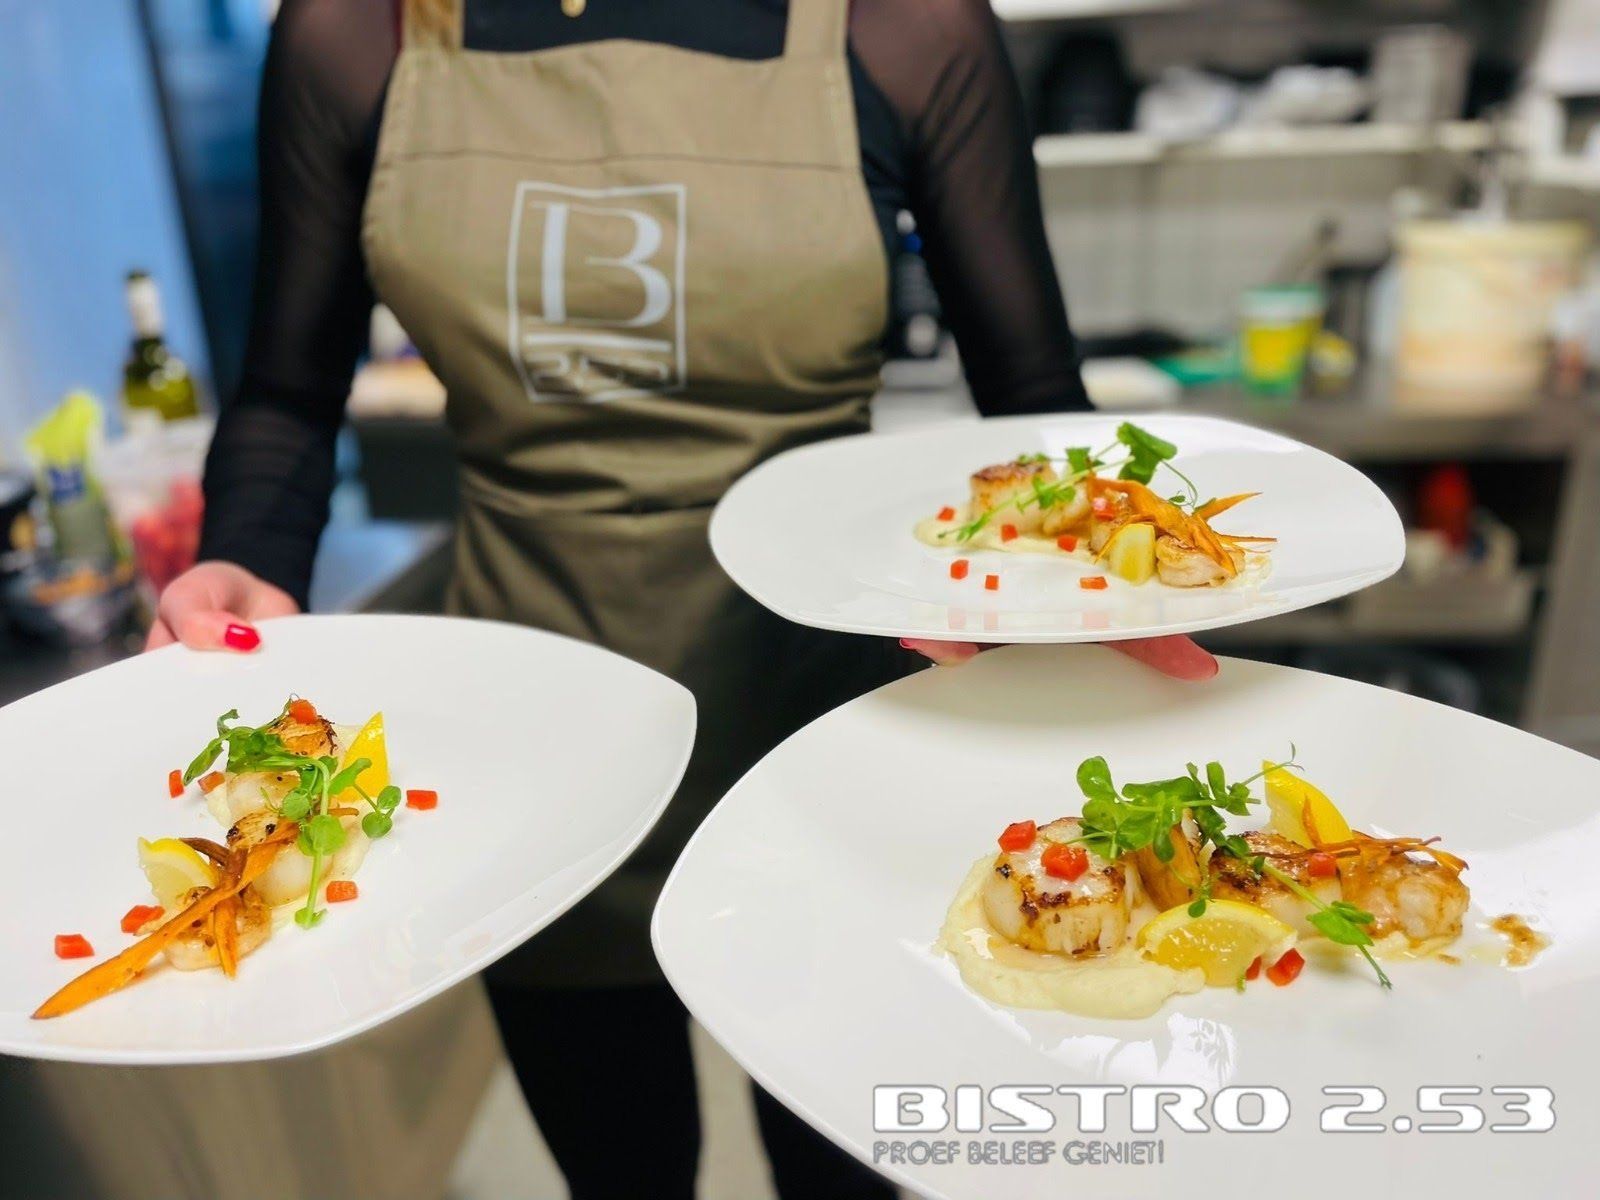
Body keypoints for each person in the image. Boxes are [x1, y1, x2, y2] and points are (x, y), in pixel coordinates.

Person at [149, 1, 1215, 1195]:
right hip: (535, 763)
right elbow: (287, 398)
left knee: (842, 1173)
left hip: (825, 742)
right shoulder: (359, 33)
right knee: (620, 1168)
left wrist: (1095, 582)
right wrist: (245, 557)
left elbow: (1032, 395)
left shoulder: (905, 27)